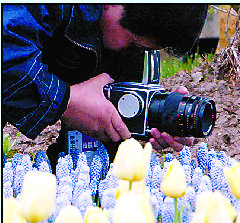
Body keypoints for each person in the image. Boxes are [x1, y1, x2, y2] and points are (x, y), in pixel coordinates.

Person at [2, 4, 208, 169]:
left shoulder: (118, 28)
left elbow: (103, 128)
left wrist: (154, 117)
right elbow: (7, 57)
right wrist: (65, 102)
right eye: (134, 44)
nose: (133, 53)